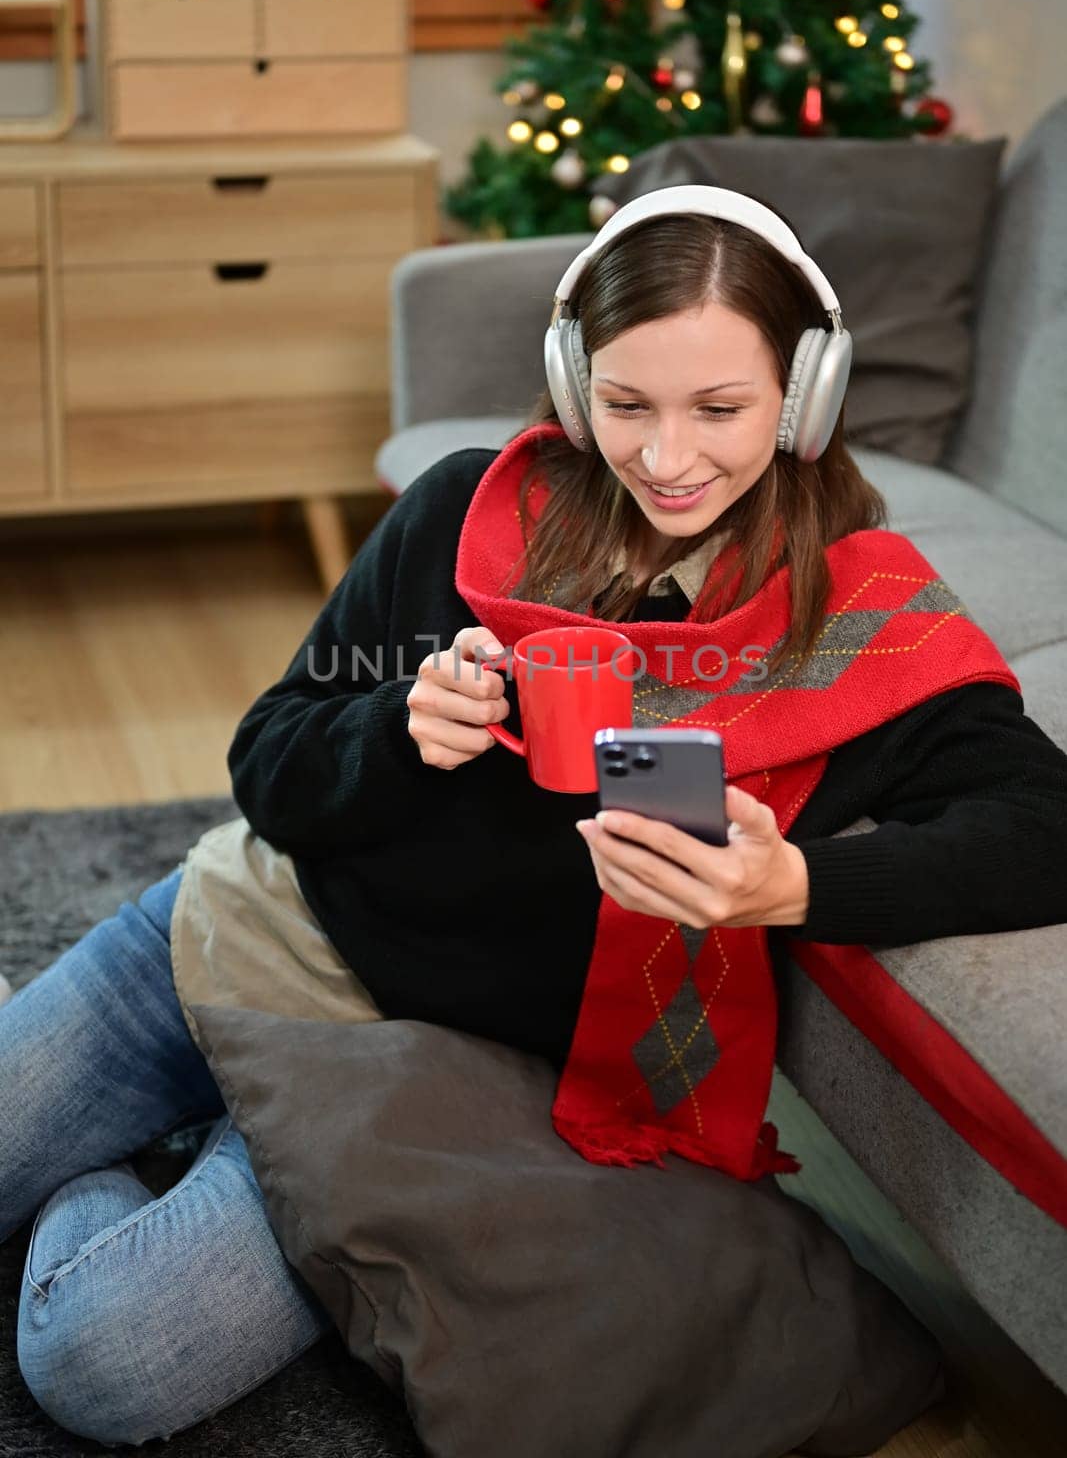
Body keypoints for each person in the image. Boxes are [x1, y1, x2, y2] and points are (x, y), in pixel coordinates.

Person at [2, 186, 1066, 1450]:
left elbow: (1041, 826)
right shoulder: (465, 511)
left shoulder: (852, 626)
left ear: (803, 397)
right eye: (624, 405)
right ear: (573, 382)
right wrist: (394, 727)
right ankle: (173, 1124)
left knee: (102, 1362)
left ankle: (150, 1159)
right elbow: (266, 758)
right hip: (246, 939)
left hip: (421, 1087)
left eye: (718, 410)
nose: (666, 458)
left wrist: (794, 892)